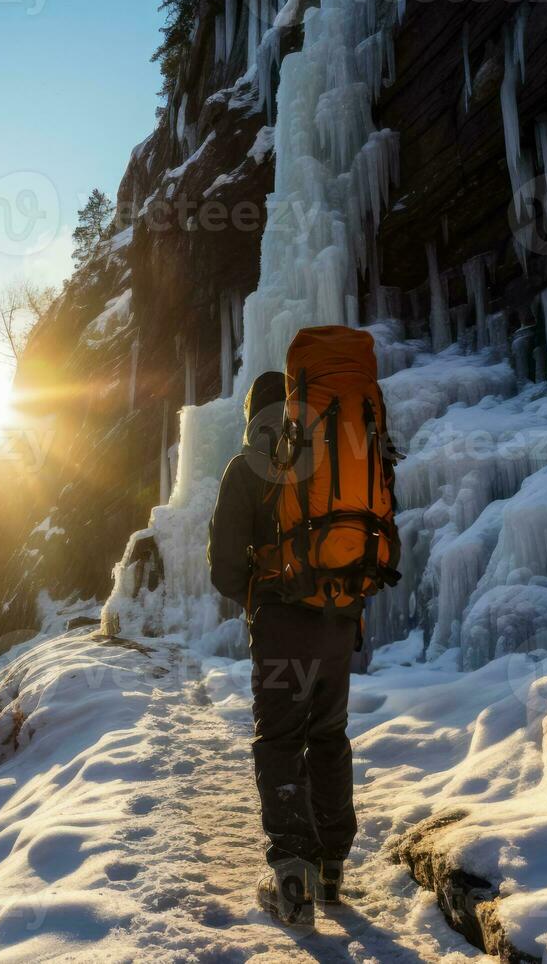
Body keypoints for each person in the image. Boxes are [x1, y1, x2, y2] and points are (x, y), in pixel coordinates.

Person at [207, 371, 359, 928]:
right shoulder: (333, 454)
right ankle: (334, 865)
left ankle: (293, 872)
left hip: (282, 629)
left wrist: (259, 583)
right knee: (328, 737)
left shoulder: (248, 464)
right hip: (339, 623)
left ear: (253, 414)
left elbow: (224, 567)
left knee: (279, 740)